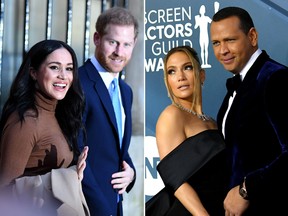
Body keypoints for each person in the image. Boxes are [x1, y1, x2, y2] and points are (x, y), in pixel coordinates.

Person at [210, 6, 288, 215]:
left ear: (252, 36)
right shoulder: (237, 88)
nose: (222, 50)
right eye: (216, 43)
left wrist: (247, 189)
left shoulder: (275, 78)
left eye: (230, 40)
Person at [0, 39, 89, 215]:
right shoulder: (26, 122)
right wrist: (64, 178)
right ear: (33, 73)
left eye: (69, 68)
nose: (63, 76)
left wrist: (73, 174)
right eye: (54, 67)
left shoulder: (59, 113)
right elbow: (4, 191)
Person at [145, 46, 229, 216]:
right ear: (167, 81)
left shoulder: (212, 122)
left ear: (202, 75)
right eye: (172, 71)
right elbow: (175, 179)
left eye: (187, 67)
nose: (181, 77)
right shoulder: (171, 116)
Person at [77, 6, 138, 216]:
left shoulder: (125, 91)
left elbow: (115, 145)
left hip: (115, 204)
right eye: (112, 42)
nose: (119, 52)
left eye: (126, 44)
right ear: (96, 38)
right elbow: (74, 154)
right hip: (86, 207)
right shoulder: (77, 83)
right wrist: (101, 210)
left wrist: (131, 172)